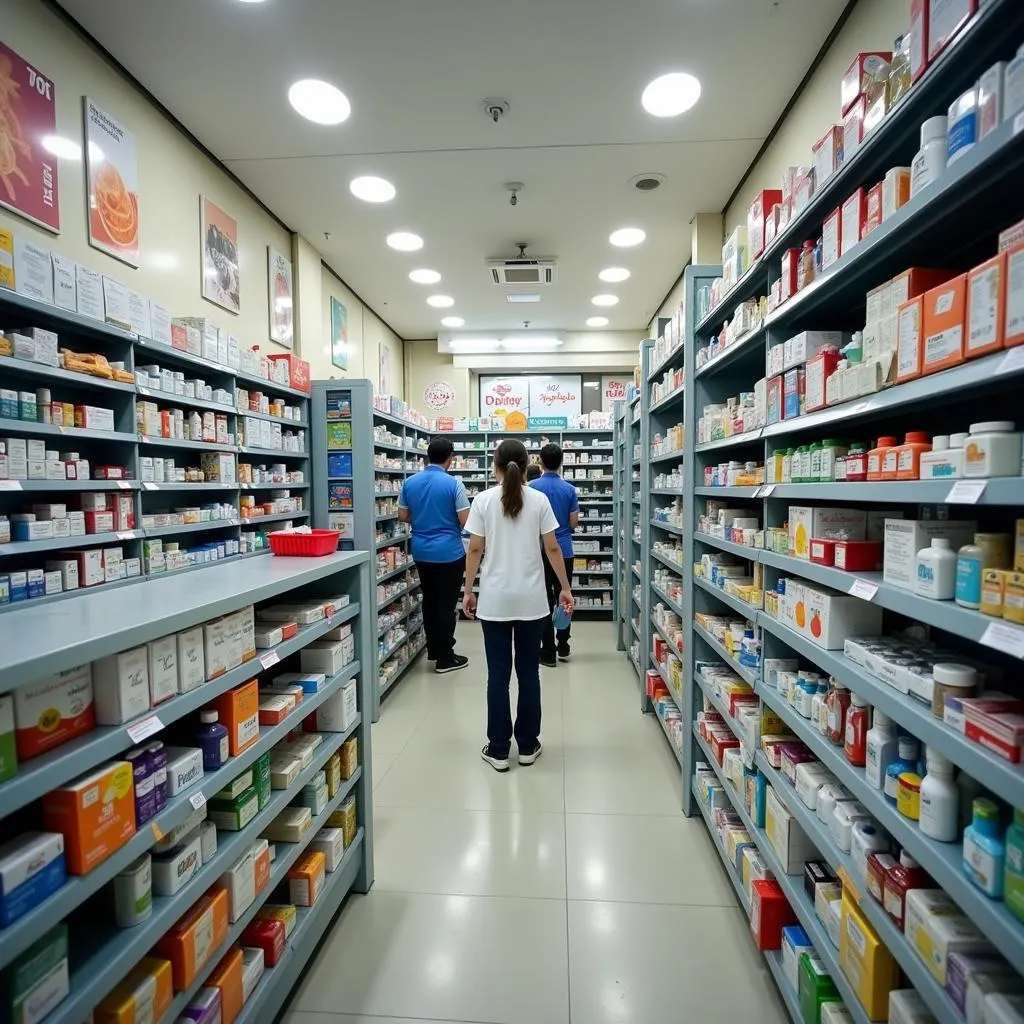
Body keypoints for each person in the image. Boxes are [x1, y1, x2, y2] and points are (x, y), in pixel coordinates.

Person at [462, 438, 574, 772]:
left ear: (495, 465)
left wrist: (467, 590)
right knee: (529, 674)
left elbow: (474, 550)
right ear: (527, 465)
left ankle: (498, 749)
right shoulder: (539, 500)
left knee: (497, 676)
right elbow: (553, 549)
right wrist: (564, 589)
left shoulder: (482, 500)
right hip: (531, 602)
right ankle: (528, 745)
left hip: (495, 601)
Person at [398, 436, 470, 673]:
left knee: (429, 600)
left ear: (428, 457)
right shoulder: (453, 484)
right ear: (450, 459)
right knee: (446, 604)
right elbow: (465, 521)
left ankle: (433, 650)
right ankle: (445, 657)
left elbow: (403, 516)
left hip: (421, 551)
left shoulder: (410, 483)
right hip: (449, 552)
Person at [529, 442, 579, 666]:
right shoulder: (569, 489)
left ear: (539, 460)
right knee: (564, 597)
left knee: (543, 600)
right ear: (561, 462)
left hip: (538, 551)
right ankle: (564, 644)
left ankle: (547, 650)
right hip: (564, 551)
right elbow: (573, 522)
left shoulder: (530, 487)